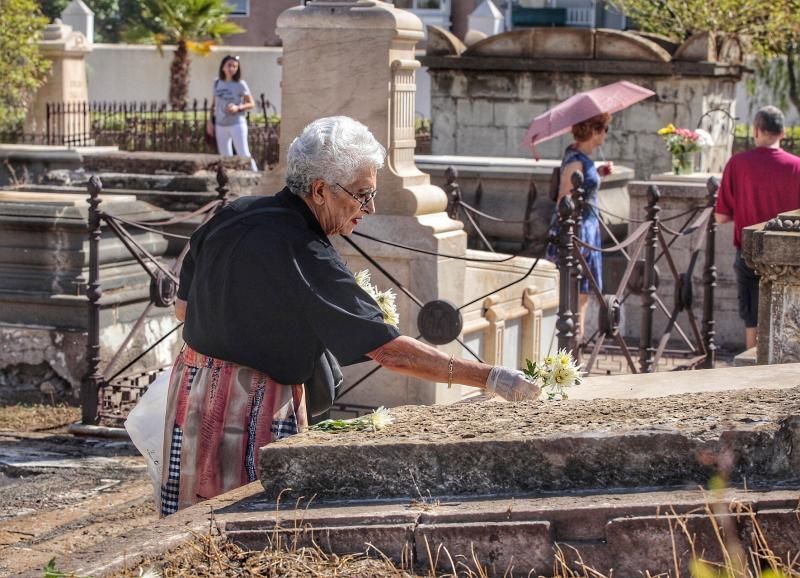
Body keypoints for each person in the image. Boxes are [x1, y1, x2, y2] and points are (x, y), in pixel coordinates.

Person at [162, 116, 541, 516]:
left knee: (186, 522)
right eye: (362, 194)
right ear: (321, 190)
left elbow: (183, 310)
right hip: (250, 403)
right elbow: (390, 351)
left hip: (192, 390)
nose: (370, 208)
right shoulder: (305, 250)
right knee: (248, 524)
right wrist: (490, 377)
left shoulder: (234, 213)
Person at [714, 105, 800, 351]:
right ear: (782, 133)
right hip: (791, 256)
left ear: (757, 130)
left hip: (751, 252)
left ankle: (752, 368)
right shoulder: (797, 167)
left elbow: (721, 216)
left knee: (751, 316)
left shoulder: (738, 164)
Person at [544, 112, 613, 340]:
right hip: (579, 232)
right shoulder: (576, 160)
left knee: (582, 295)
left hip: (588, 229)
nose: (605, 134)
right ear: (593, 131)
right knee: (575, 295)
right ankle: (572, 350)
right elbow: (564, 200)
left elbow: (582, 185)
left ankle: (576, 349)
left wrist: (599, 172)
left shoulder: (583, 157)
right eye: (604, 129)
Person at [209, 54, 258, 171]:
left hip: (237, 123)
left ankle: (256, 175)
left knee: (243, 153)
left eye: (235, 66)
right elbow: (213, 105)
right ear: (223, 67)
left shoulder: (240, 84)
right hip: (220, 124)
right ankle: (230, 180)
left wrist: (238, 108)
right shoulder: (217, 83)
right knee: (225, 156)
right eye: (229, 65)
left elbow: (251, 103)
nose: (232, 69)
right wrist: (210, 122)